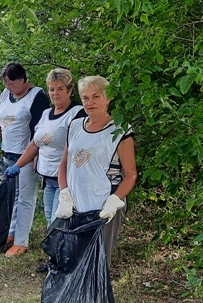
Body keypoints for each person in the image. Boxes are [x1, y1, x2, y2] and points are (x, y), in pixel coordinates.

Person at [55, 75, 138, 267]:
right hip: (76, 204)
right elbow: (64, 165)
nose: (90, 102)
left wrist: (113, 202)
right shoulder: (75, 126)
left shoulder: (120, 129)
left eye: (96, 96)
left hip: (102, 206)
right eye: (85, 98)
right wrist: (65, 194)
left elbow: (131, 174)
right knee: (73, 256)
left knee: (97, 259)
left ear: (108, 98)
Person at [0, 62, 49, 257]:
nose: (8, 87)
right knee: (11, 197)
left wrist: (34, 157)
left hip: (27, 156)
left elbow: (39, 131)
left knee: (26, 198)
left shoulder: (37, 96)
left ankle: (21, 241)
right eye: (5, 84)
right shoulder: (5, 95)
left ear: (22, 80)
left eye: (12, 83)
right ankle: (10, 233)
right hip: (7, 154)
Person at [4, 68, 85, 227]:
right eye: (52, 89)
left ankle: (61, 252)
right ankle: (54, 253)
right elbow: (34, 144)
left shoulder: (77, 114)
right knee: (50, 222)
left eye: (60, 89)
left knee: (58, 222)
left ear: (70, 90)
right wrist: (17, 165)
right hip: (48, 180)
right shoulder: (46, 114)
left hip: (67, 181)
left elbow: (77, 149)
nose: (55, 93)